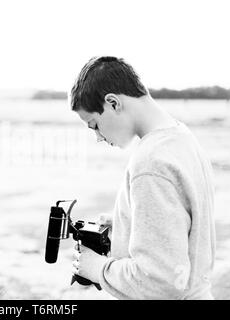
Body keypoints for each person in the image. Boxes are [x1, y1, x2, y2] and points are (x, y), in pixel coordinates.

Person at [70, 56, 216, 300]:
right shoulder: (182, 138)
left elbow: (158, 281)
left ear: (113, 103)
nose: (98, 137)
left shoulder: (150, 163)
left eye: (94, 124)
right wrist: (130, 223)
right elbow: (184, 229)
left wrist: (96, 269)